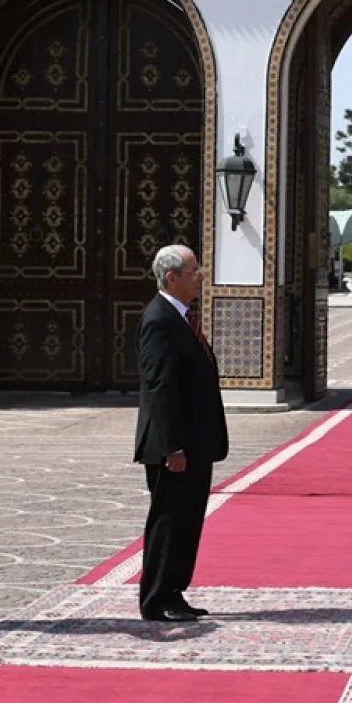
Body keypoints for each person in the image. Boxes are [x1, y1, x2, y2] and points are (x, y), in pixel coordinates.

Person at [135, 244, 228, 623]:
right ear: (172, 277)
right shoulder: (159, 320)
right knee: (169, 521)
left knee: (188, 521)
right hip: (173, 447)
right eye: (194, 271)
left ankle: (174, 591)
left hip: (195, 442)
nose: (200, 277)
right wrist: (172, 446)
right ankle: (156, 597)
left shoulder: (182, 317)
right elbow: (160, 389)